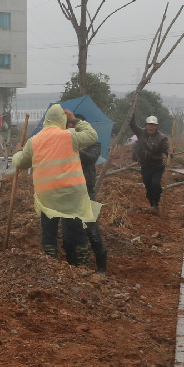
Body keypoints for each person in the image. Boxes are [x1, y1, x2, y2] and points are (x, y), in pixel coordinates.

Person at [12, 104, 99, 264]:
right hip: (71, 193)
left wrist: (18, 151)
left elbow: (20, 163)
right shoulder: (69, 135)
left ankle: (50, 264)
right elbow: (91, 135)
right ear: (62, 120)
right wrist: (75, 120)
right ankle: (82, 266)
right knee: (77, 229)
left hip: (47, 194)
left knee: (49, 231)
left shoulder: (34, 141)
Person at [71, 112, 109, 274]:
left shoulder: (94, 144)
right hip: (68, 192)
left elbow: (89, 158)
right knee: (70, 230)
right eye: (71, 125)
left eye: (77, 125)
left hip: (86, 191)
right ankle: (74, 264)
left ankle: (101, 265)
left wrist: (73, 149)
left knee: (91, 228)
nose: (73, 128)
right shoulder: (64, 143)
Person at [128, 113, 172, 213]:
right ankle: (152, 204)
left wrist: (170, 152)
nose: (151, 127)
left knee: (155, 184)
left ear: (156, 126)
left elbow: (166, 149)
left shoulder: (162, 138)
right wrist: (133, 111)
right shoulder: (140, 133)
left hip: (157, 166)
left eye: (153, 125)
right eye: (149, 125)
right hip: (145, 165)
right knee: (148, 186)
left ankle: (156, 203)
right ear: (146, 125)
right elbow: (132, 125)